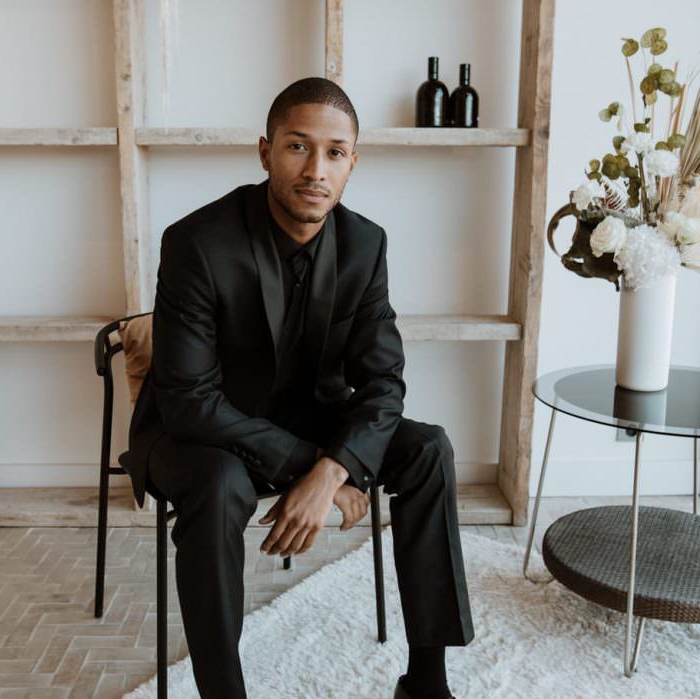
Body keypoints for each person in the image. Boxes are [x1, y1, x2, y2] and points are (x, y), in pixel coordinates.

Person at [127, 76, 474, 699]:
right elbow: (190, 402)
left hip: (309, 421)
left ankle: (427, 681)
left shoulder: (365, 244)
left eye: (335, 152)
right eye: (297, 147)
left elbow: (383, 381)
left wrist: (334, 468)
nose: (316, 169)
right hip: (198, 435)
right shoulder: (197, 243)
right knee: (217, 482)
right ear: (265, 152)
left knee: (429, 448)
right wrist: (309, 466)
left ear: (352, 164)